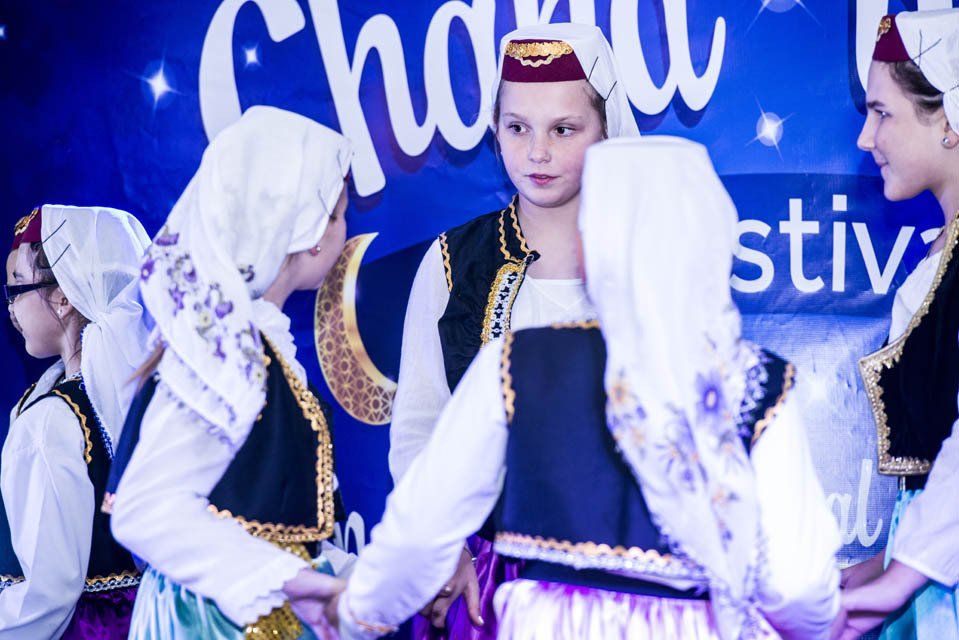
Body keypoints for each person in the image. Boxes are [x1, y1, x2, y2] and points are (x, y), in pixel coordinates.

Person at [330, 136, 840, 639]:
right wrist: (819, 627)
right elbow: (796, 584)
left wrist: (355, 616)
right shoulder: (762, 382)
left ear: (588, 244)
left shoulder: (516, 363)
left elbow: (423, 528)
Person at [388, 23, 639, 638]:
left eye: (564, 129)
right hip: (486, 581)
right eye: (517, 127)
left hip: (628, 582)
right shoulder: (455, 262)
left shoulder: (647, 262)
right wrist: (440, 544)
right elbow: (420, 426)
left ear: (605, 131)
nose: (537, 153)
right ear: (494, 128)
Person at [108, 105, 353, 639]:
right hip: (213, 619)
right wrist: (286, 577)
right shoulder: (222, 353)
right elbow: (144, 511)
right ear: (309, 230)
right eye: (338, 214)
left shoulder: (254, 347)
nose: (343, 229)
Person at [836, 9, 959, 639]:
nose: (865, 137)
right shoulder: (939, 257)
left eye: (882, 113)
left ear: (949, 122)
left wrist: (902, 575)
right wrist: (888, 560)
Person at [0, 204, 151, 638]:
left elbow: (46, 594)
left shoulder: (51, 419)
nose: (11, 310)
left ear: (64, 297)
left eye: (16, 290)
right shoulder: (132, 396)